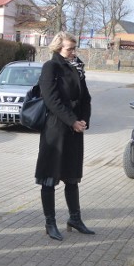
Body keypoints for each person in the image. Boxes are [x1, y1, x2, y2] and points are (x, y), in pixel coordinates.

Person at [34, 31, 93, 241]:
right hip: (56, 130)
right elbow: (51, 99)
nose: (73, 52)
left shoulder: (77, 67)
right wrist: (72, 120)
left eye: (74, 48)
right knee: (49, 178)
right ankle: (50, 223)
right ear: (58, 48)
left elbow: (86, 97)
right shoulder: (51, 67)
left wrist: (84, 119)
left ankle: (74, 218)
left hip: (74, 130)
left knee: (72, 177)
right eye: (69, 48)